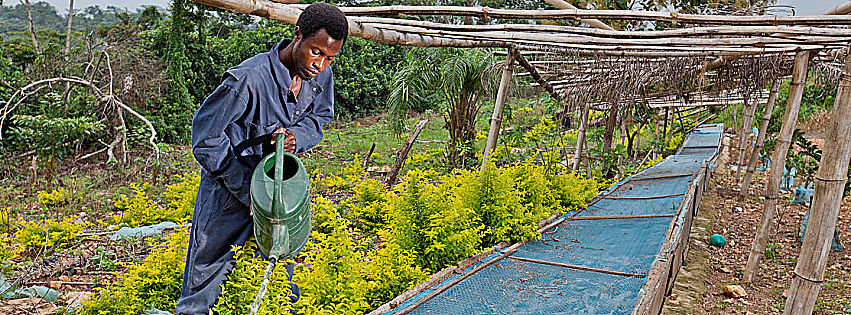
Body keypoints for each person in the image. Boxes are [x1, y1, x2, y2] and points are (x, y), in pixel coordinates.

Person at [176, 3, 347, 313]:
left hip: (279, 192)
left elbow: (320, 116)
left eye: (330, 58)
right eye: (316, 53)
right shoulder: (248, 79)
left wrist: (298, 136)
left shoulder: (322, 75)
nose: (321, 64)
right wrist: (248, 188)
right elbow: (205, 139)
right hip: (229, 193)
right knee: (205, 286)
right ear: (298, 36)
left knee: (280, 279)